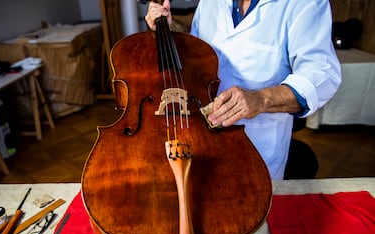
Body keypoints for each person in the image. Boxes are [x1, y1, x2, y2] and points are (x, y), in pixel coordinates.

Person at [145, 0, 342, 180]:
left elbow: (322, 74)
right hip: (200, 137)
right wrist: (165, 34)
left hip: (258, 146)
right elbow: (197, 58)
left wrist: (261, 99)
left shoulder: (304, 4)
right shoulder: (209, 3)